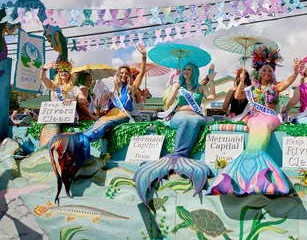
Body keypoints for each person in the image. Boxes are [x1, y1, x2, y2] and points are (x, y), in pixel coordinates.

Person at [47, 44, 147, 203]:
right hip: (108, 115)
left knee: (96, 131)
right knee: (93, 128)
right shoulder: (113, 92)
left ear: (128, 76)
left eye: (125, 73)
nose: (123, 75)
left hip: (121, 116)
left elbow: (141, 74)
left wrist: (143, 57)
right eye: (121, 73)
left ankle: (77, 151)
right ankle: (76, 145)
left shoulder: (131, 89)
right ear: (118, 75)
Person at [206, 45, 300, 196]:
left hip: (270, 118)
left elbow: (287, 83)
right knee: (254, 134)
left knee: (263, 128)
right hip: (255, 119)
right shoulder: (251, 89)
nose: (267, 72)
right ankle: (250, 174)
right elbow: (237, 96)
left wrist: (295, 73)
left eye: (270, 70)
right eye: (264, 70)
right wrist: (242, 81)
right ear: (259, 72)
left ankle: (260, 175)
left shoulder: (275, 88)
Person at [134, 62, 217, 205]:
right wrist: (175, 88)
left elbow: (212, 97)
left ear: (194, 72)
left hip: (196, 115)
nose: (186, 71)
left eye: (189, 69)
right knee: (186, 119)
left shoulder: (200, 87)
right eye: (184, 69)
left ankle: (182, 158)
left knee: (196, 121)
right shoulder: (178, 86)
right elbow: (167, 103)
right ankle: (179, 156)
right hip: (179, 115)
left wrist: (212, 79)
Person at [39, 61, 87, 147]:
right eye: (61, 71)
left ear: (69, 74)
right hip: (54, 115)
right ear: (58, 73)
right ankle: (45, 147)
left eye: (66, 71)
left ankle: (50, 147)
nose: (63, 73)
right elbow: (43, 78)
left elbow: (83, 99)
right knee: (50, 125)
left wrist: (72, 100)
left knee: (53, 124)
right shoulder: (53, 85)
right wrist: (44, 69)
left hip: (69, 116)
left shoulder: (74, 88)